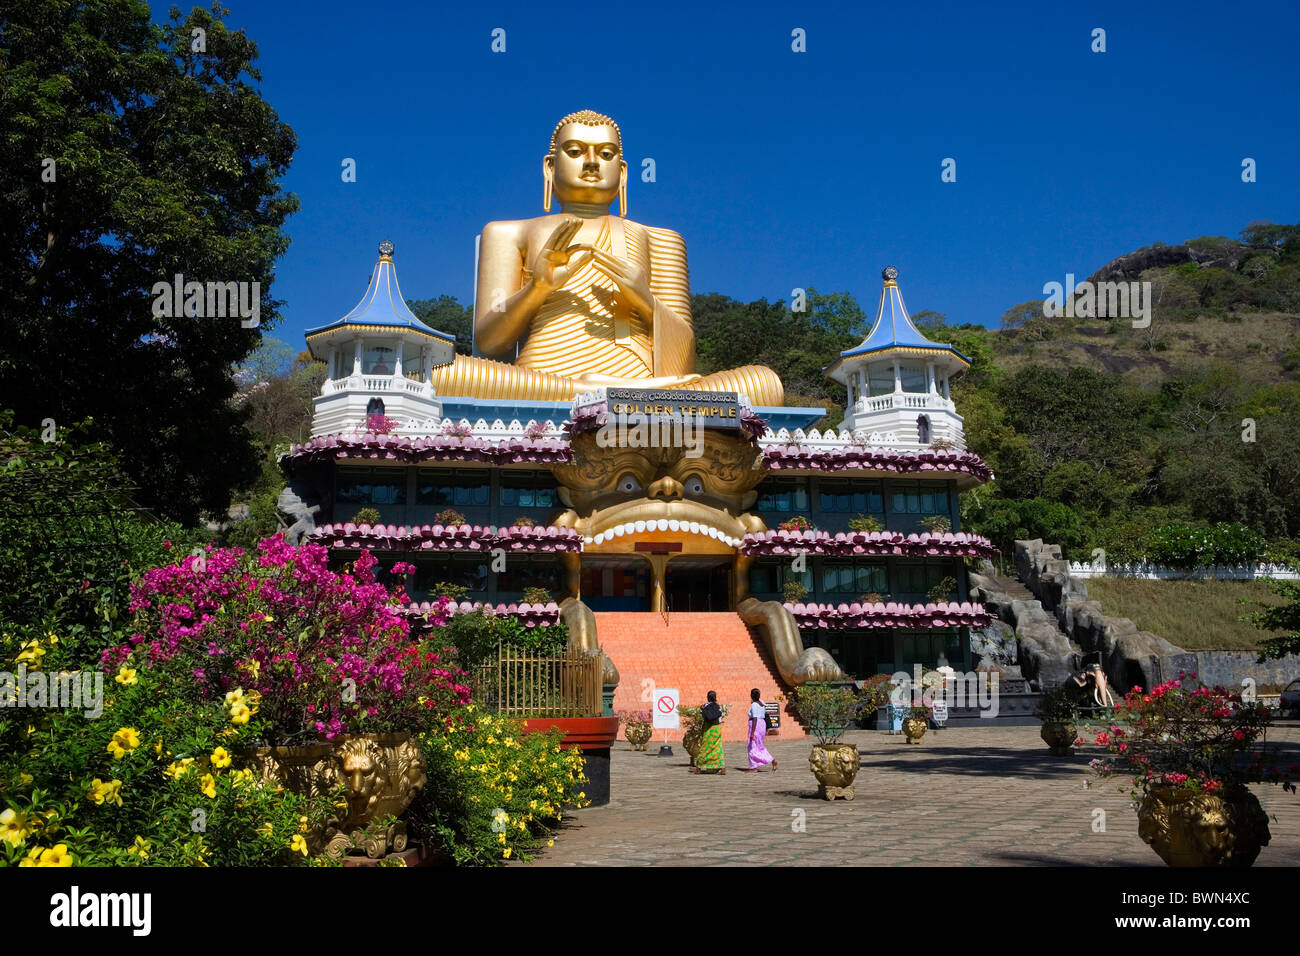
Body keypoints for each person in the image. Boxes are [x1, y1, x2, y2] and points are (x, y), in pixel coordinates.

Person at [691, 690, 726, 775]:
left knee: (705, 747)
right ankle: (722, 767)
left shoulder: (705, 706)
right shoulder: (718, 706)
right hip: (717, 729)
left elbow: (704, 717)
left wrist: (702, 709)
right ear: (715, 697)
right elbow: (720, 719)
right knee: (717, 748)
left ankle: (699, 767)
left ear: (707, 697)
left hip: (708, 729)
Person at [747, 688, 776, 772]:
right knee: (759, 746)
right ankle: (771, 760)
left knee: (752, 746)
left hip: (755, 725)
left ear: (752, 695)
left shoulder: (754, 705)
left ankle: (753, 767)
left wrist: (752, 732)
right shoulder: (762, 704)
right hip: (762, 725)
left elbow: (755, 717)